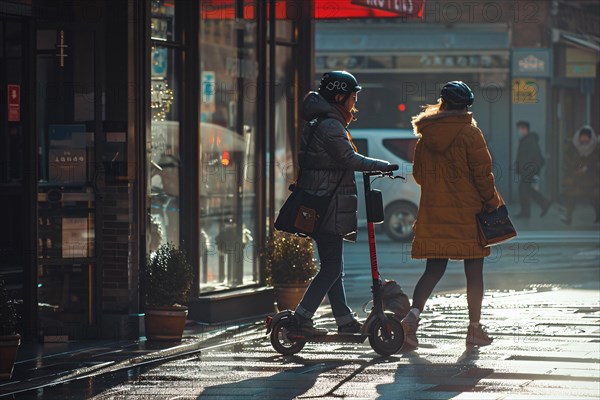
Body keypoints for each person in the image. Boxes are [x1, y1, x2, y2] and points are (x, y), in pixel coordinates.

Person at [293, 71, 396, 335]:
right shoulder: (330, 126)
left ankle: (344, 320)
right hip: (327, 205)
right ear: (339, 97)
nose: (355, 103)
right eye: (352, 97)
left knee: (333, 266)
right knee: (331, 268)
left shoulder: (325, 122)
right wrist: (382, 166)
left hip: (323, 202)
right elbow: (349, 159)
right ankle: (301, 318)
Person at [402, 81, 502, 347]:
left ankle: (411, 321)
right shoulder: (471, 134)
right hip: (469, 215)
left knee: (433, 269)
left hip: (434, 212)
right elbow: (483, 176)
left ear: (442, 103)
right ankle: (474, 329)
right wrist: (492, 202)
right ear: (466, 106)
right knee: (474, 271)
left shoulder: (425, 136)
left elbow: (420, 177)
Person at [560, 125, 600, 225]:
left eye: (587, 137)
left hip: (589, 177)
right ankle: (568, 217)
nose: (584, 139)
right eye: (583, 136)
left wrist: (587, 168)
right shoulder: (572, 145)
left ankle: (598, 216)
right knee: (570, 197)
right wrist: (576, 168)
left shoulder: (595, 147)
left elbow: (596, 160)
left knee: (594, 198)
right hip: (574, 176)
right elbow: (568, 158)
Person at [514, 121, 551, 218]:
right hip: (526, 170)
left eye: (520, 129)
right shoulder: (524, 140)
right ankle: (544, 203)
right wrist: (518, 170)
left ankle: (527, 212)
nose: (518, 131)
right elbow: (520, 157)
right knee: (527, 190)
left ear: (525, 129)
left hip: (529, 170)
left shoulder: (530, 140)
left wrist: (534, 172)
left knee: (523, 189)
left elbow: (537, 158)